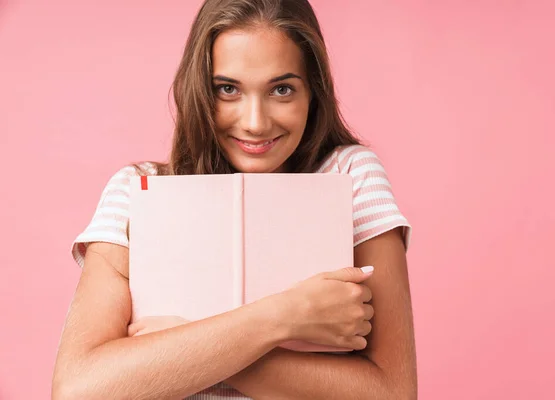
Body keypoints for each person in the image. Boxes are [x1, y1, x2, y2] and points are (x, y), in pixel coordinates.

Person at [51, 0, 417, 399]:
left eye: (282, 89)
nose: (255, 122)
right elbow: (80, 390)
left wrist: (181, 348)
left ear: (313, 91)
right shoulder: (138, 190)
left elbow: (392, 392)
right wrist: (285, 316)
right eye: (228, 89)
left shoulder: (350, 175)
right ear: (198, 91)